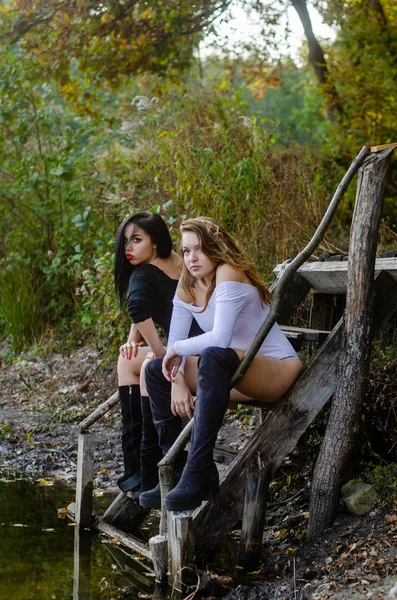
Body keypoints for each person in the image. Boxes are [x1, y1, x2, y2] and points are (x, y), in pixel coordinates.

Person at [140, 216, 303, 511]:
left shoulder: (230, 272)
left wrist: (175, 350)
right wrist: (176, 381)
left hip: (275, 370)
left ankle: (198, 467)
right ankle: (176, 470)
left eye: (199, 249)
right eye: (187, 251)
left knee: (213, 354)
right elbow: (172, 350)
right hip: (232, 373)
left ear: (215, 248)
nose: (192, 258)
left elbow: (219, 337)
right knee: (154, 370)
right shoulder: (187, 285)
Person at [114, 211, 201, 494]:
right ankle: (142, 469)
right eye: (126, 241)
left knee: (141, 366)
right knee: (129, 359)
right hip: (201, 347)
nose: (128, 248)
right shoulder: (183, 259)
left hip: (195, 357)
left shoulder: (143, 272)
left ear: (155, 242)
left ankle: (142, 469)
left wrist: (162, 354)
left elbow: (139, 305)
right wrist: (132, 337)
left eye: (136, 240)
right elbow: (150, 302)